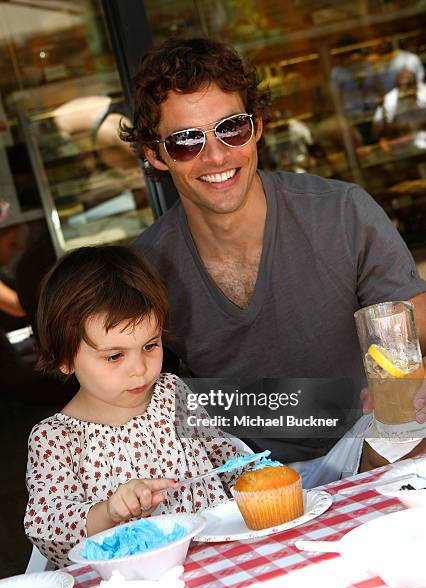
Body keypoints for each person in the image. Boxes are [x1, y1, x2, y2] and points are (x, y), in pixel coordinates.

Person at [121, 38, 426, 477]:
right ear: (155, 155)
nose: (216, 154)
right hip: (236, 475)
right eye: (187, 141)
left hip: (370, 445)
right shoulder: (145, 268)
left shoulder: (341, 212)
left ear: (257, 126)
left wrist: (405, 384)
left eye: (232, 128)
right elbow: (137, 398)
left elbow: (407, 332)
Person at [24, 245, 248, 568]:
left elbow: (222, 454)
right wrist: (110, 511)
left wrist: (258, 475)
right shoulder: (56, 439)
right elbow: (48, 528)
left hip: (222, 558)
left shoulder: (172, 393)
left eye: (150, 345)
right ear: (64, 359)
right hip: (136, 587)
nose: (140, 369)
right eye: (115, 356)